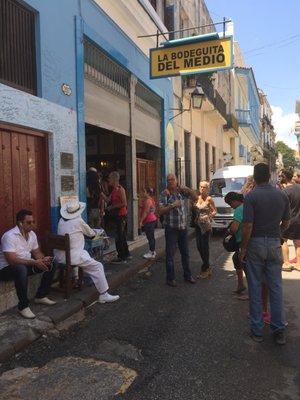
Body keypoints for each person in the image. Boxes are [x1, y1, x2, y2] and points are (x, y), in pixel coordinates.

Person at [240, 163, 290, 345]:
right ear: (269, 176)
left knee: (255, 287)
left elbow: (247, 226)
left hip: (256, 244)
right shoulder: (281, 195)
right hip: (275, 243)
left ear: (255, 177)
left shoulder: (251, 197)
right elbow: (286, 221)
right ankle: (279, 330)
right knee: (276, 287)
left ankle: (257, 330)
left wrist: (243, 249)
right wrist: (280, 233)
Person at [56, 200, 119, 304]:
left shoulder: (61, 221)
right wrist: (97, 232)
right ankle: (104, 294)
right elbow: (91, 234)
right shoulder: (78, 221)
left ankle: (77, 279)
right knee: (98, 266)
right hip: (73, 256)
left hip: (60, 256)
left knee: (86, 256)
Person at [0, 210, 56, 319]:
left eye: (33, 222)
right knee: (21, 269)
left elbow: (37, 253)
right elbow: (12, 260)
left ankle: (41, 295)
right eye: (29, 222)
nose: (32, 225)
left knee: (53, 263)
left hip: (26, 265)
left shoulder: (32, 234)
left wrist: (43, 259)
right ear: (20, 223)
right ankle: (23, 306)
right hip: (6, 269)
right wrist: (34, 262)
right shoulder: (9, 236)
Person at [158, 174, 198, 287]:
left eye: (172, 179)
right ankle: (170, 278)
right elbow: (160, 211)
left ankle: (188, 275)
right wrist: (172, 205)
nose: (170, 181)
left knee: (185, 253)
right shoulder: (165, 194)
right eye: (168, 180)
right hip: (171, 228)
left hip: (183, 228)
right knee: (170, 254)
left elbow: (195, 198)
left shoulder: (183, 192)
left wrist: (189, 190)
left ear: (177, 180)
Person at [101, 171, 130, 263]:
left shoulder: (121, 189)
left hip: (121, 216)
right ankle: (126, 254)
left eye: (110, 178)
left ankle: (121, 257)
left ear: (114, 179)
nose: (108, 180)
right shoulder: (114, 190)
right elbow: (107, 199)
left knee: (119, 237)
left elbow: (124, 203)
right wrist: (100, 193)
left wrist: (112, 207)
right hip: (117, 216)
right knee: (121, 236)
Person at [193, 181, 216, 279]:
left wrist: (208, 216)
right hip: (198, 226)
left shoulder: (209, 199)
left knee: (204, 247)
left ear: (207, 189)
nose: (202, 189)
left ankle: (206, 268)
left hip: (206, 227)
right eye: (201, 187)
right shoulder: (197, 198)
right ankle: (206, 265)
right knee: (199, 246)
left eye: (204, 187)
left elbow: (215, 211)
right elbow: (195, 209)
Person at [224, 192, 246, 295]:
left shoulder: (238, 209)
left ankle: (244, 287)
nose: (231, 207)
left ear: (234, 201)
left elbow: (234, 228)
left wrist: (229, 231)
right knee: (237, 259)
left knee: (243, 263)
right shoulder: (246, 206)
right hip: (249, 239)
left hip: (242, 241)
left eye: (230, 204)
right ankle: (240, 285)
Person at [280, 168, 300, 272]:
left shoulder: (284, 192)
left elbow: (281, 208)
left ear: (284, 178)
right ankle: (299, 264)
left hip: (288, 219)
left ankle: (286, 263)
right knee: (298, 242)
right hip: (299, 220)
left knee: (283, 240)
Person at [139, 188, 158, 260]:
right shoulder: (151, 199)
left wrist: (141, 221)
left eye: (143, 192)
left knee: (150, 237)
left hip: (149, 221)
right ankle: (152, 251)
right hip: (152, 220)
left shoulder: (148, 201)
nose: (142, 194)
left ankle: (152, 252)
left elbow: (146, 212)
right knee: (151, 237)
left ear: (147, 193)